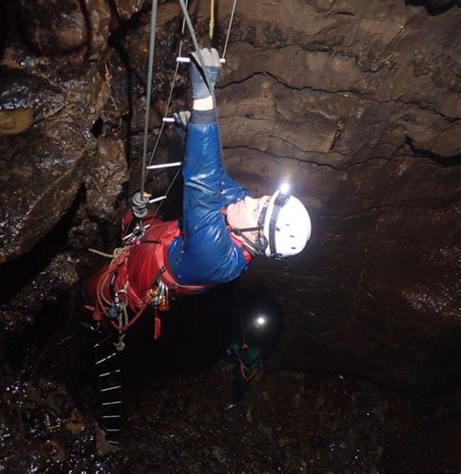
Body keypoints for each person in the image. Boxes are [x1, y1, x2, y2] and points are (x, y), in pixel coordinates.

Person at [83, 48, 311, 336]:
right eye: (260, 199)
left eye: (257, 207)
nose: (248, 199)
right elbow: (217, 178)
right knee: (136, 211)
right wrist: (191, 137)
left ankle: (82, 318)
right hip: (154, 242)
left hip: (128, 282)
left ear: (258, 235)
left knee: (90, 293)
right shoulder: (243, 221)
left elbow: (202, 185)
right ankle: (131, 226)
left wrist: (203, 97)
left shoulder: (214, 256)